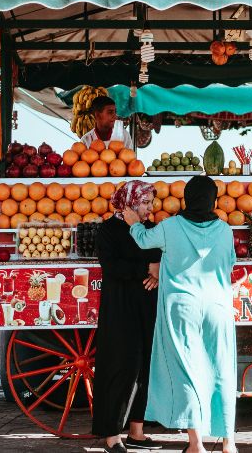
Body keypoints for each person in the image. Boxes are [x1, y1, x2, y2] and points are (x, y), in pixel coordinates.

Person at [124, 175, 239, 453]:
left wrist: (133, 224)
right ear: (213, 200)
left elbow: (143, 240)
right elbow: (230, 262)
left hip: (181, 309)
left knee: (187, 371)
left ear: (187, 199)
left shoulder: (171, 226)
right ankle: (228, 443)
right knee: (223, 371)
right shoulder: (224, 230)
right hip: (218, 308)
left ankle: (195, 443)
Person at [93, 180, 163, 452]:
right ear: (128, 203)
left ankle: (137, 431)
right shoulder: (108, 230)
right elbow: (112, 267)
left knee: (146, 367)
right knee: (120, 367)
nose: (150, 207)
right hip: (120, 308)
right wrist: (147, 268)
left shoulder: (151, 230)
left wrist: (156, 273)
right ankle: (111, 435)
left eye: (150, 202)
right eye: (145, 202)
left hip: (147, 304)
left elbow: (160, 259)